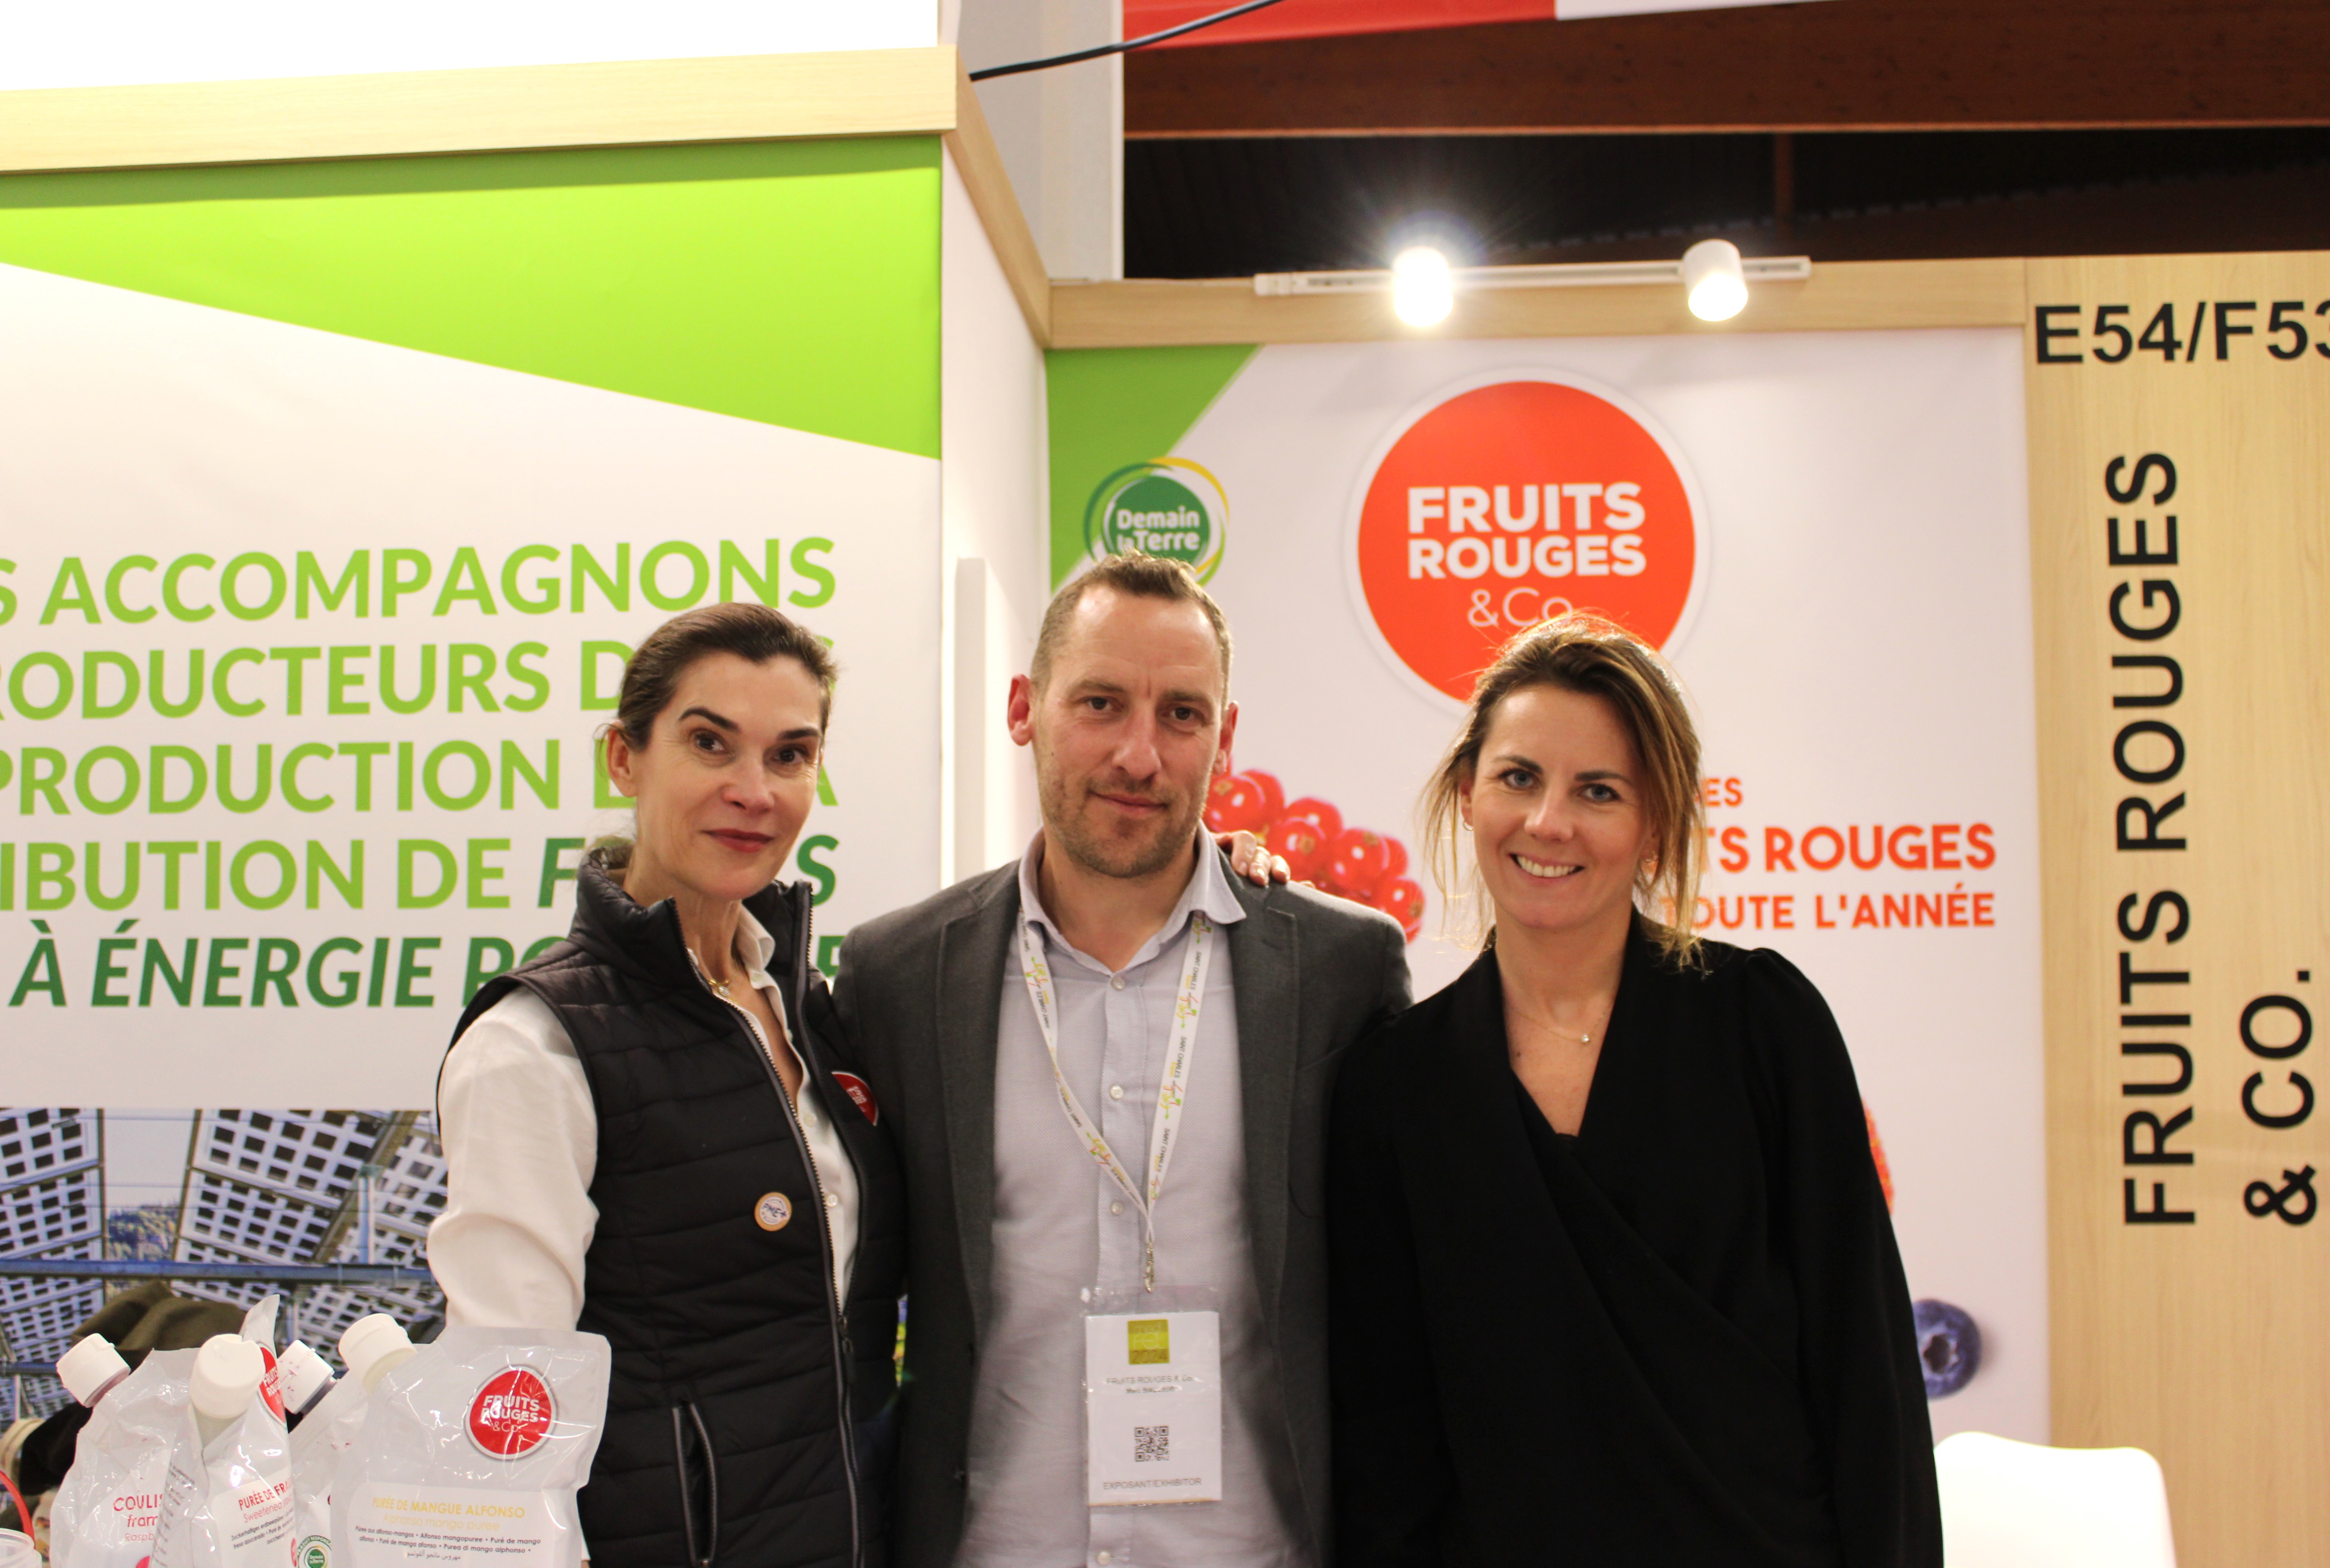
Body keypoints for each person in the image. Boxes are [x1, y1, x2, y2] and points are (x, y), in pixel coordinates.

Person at [830, 553, 1412, 1568]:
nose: (1140, 756)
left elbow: (1393, 1298)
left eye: (1182, 715)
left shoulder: (1338, 970)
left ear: (1224, 739)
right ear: (1024, 707)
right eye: (1100, 703)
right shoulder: (898, 977)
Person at [1328, 614, 1941, 1568]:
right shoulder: (1396, 1082)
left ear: (1655, 824)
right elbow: (1387, 1439)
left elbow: (1867, 1369)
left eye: (1599, 790)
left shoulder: (1763, 1023)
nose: (1549, 821)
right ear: (1466, 793)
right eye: (1518, 776)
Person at [431, 603, 904, 1568]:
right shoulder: (537, 1045)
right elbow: (505, 1405)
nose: (753, 791)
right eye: (709, 742)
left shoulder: (811, 1010)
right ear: (625, 757)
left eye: (790, 754)